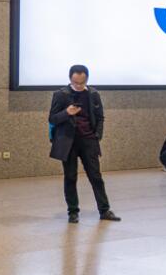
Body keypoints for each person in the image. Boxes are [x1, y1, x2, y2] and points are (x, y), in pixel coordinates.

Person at [48, 65, 121, 224]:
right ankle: (73, 212)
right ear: (70, 79)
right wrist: (66, 112)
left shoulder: (93, 94)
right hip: (68, 142)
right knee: (70, 177)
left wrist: (97, 136)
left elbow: (100, 117)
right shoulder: (60, 95)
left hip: (88, 140)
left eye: (82, 82)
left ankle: (104, 210)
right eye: (76, 82)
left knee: (96, 176)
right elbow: (52, 118)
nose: (79, 85)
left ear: (87, 79)